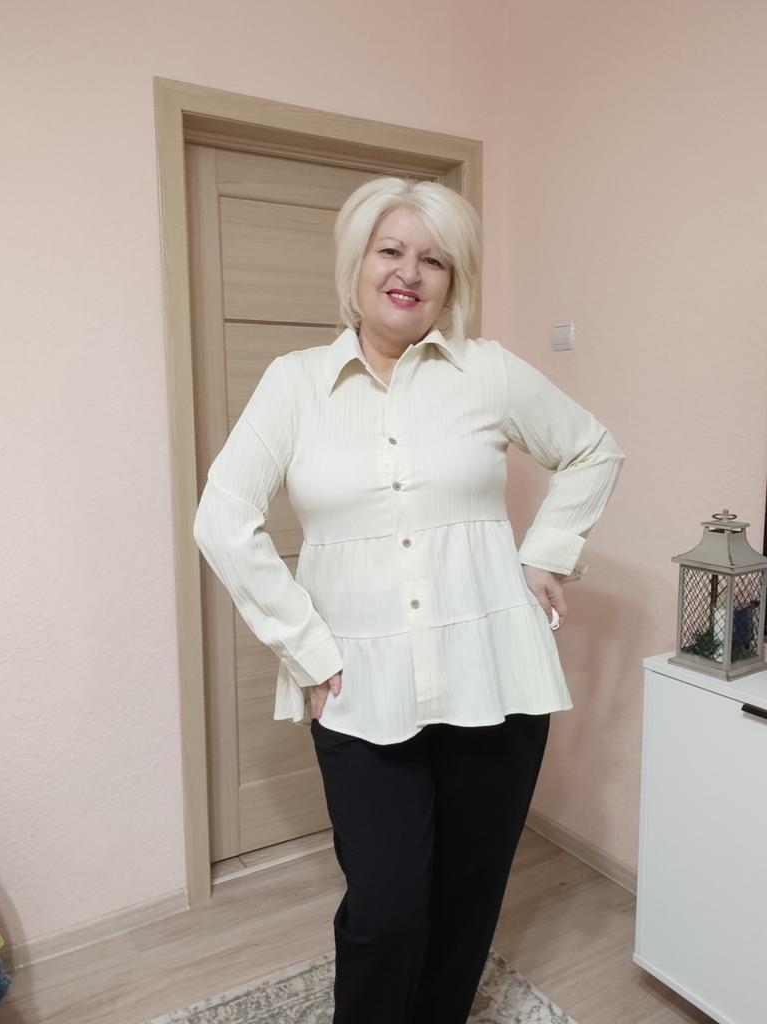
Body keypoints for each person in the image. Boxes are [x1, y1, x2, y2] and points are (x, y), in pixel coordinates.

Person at [192, 176, 625, 1024]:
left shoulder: (488, 371)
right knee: (386, 908)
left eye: (435, 260)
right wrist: (306, 650)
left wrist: (546, 554)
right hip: (358, 685)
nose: (410, 272)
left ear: (453, 280)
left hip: (494, 676)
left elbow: (593, 450)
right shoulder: (295, 384)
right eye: (390, 250)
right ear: (355, 264)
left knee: (467, 901)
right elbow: (223, 518)